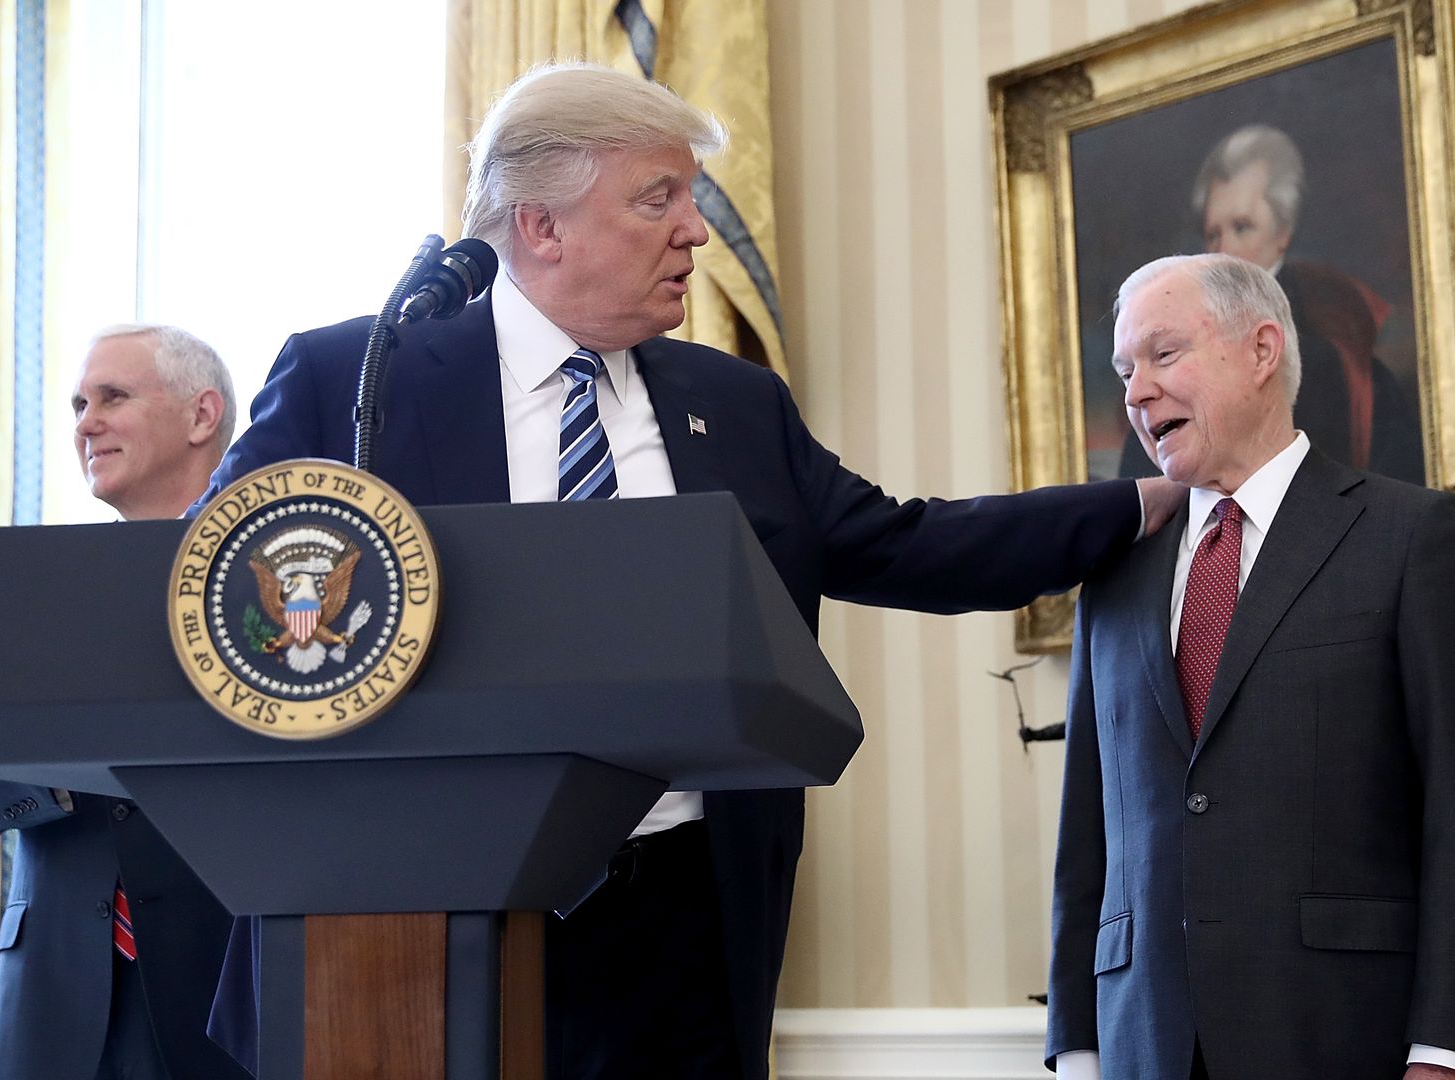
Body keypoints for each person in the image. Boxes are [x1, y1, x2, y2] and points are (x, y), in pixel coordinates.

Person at [199, 63, 1181, 1080]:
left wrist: (1142, 503)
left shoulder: (735, 403)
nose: (697, 233)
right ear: (542, 225)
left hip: (680, 916)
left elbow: (905, 543)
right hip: (424, 910)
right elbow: (216, 589)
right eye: (657, 199)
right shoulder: (357, 381)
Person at [1048, 254, 1455, 1079]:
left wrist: (1450, 1053)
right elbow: (1088, 834)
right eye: (1125, 370)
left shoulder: (1414, 538)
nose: (1135, 392)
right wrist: (1081, 1048)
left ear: (1262, 350)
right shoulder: (1116, 573)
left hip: (1347, 1041)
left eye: (1164, 355)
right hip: (1143, 1048)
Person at [0, 325, 249, 1080]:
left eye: (113, 397)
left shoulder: (273, 587)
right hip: (53, 1013)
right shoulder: (28, 593)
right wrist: (66, 765)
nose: (85, 423)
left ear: (201, 416)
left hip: (231, 1006)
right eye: (77, 403)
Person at [1118, 124, 1424, 484]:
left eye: (1242, 227)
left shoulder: (1329, 348)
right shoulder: (1160, 409)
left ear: (1282, 232)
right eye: (1213, 234)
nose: (1223, 248)